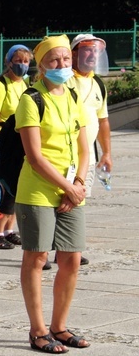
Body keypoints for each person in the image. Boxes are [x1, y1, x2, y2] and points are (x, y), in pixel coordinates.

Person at [14, 34, 90, 353]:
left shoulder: (73, 97)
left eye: (66, 60)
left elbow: (86, 148)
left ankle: (59, 326)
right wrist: (67, 187)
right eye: (54, 60)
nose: (62, 65)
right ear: (42, 66)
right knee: (38, 257)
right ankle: (38, 329)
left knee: (71, 259)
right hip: (38, 191)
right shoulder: (31, 99)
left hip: (72, 189)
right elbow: (34, 155)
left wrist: (79, 184)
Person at [65, 34, 111, 268]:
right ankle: (47, 248)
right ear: (74, 53)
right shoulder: (64, 80)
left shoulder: (98, 84)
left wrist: (106, 153)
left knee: (79, 201)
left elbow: (103, 121)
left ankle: (70, 248)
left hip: (88, 157)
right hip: (62, 155)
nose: (93, 55)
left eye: (96, 51)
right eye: (87, 50)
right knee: (58, 201)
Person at [0, 44, 32, 250]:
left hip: (20, 138)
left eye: (25, 62)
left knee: (17, 189)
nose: (22, 65)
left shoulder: (25, 84)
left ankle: (9, 230)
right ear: (9, 62)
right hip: (5, 139)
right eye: (18, 61)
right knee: (7, 189)